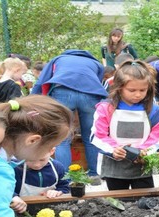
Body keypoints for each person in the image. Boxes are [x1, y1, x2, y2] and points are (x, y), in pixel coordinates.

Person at [32, 50, 108, 185]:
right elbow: (97, 83)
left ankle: (65, 178)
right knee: (91, 137)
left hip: (63, 92)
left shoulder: (58, 59)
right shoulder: (96, 63)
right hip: (90, 95)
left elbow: (41, 80)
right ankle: (94, 175)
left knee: (62, 139)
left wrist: (30, 101)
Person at [90, 60, 159, 191]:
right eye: (132, 90)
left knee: (145, 199)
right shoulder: (106, 108)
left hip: (142, 163)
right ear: (119, 88)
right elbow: (97, 135)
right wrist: (113, 149)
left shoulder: (153, 110)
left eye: (143, 90)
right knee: (119, 200)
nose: (138, 94)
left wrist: (145, 150)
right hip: (114, 165)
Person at [12, 148, 70, 214]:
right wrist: (13, 196)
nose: (37, 165)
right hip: (22, 211)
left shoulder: (57, 167)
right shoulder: (15, 169)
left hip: (51, 210)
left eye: (42, 160)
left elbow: (65, 186)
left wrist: (58, 191)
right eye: (31, 160)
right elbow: (4, 188)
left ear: (51, 151)